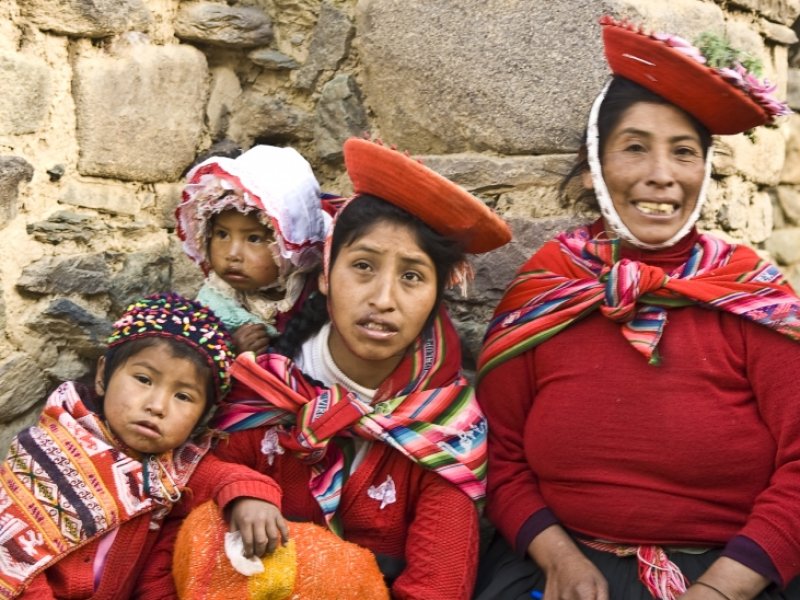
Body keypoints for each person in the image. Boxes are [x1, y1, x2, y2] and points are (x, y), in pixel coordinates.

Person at [474, 15, 800, 600]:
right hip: (563, 571)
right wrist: (559, 561)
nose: (661, 176)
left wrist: (722, 589)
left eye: (683, 153)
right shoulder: (550, 286)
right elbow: (500, 455)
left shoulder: (750, 294)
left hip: (735, 574)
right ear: (597, 163)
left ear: (704, 170)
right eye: (634, 149)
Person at [204, 136, 512, 599]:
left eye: (412, 276)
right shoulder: (265, 388)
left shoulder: (443, 429)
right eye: (363, 266)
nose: (383, 300)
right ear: (326, 275)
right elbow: (193, 505)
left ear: (435, 297)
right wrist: (240, 487)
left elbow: (438, 585)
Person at [0, 293, 284, 599]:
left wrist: (251, 498)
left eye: (183, 396)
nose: (157, 405)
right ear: (102, 375)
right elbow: (11, 562)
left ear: (204, 416)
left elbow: (222, 477)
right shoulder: (46, 450)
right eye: (143, 379)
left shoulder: (173, 468)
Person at [177, 144, 330, 356]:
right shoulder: (215, 305)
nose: (232, 254)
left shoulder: (320, 293)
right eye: (222, 234)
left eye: (254, 238)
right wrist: (230, 351)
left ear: (287, 246)